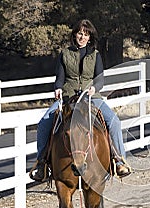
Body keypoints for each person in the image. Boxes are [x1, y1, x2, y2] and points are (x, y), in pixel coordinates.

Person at [30, 19, 131, 182]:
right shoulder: (65, 53)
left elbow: (100, 79)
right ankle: (41, 164)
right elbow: (59, 77)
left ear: (90, 37)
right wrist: (57, 88)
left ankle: (119, 161)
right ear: (74, 35)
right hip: (68, 96)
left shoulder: (95, 55)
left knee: (114, 122)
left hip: (91, 97)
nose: (82, 37)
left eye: (86, 34)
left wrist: (94, 88)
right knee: (43, 123)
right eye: (79, 33)